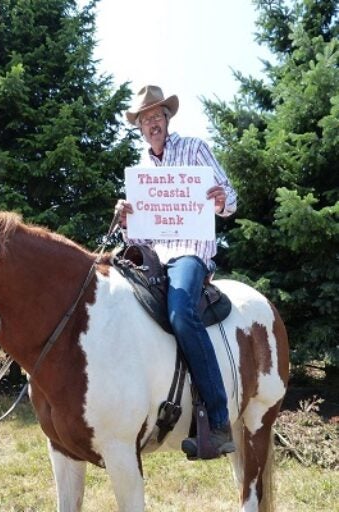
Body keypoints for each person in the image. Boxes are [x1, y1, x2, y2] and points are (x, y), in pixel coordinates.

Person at [115, 85, 237, 458]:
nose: (152, 124)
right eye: (144, 119)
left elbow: (229, 199)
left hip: (189, 251)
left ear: (167, 119)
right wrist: (125, 220)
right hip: (153, 253)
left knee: (181, 310)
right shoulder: (140, 171)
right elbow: (140, 233)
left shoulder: (194, 149)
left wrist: (220, 199)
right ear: (139, 127)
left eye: (156, 116)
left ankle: (218, 421)